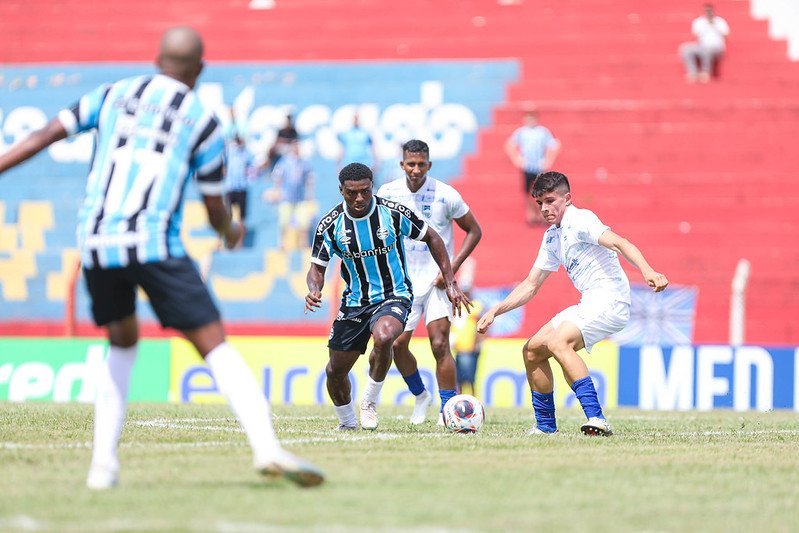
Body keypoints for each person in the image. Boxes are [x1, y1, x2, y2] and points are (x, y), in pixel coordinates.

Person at [0, 26, 323, 489]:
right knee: (213, 343)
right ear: (200, 69)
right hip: (154, 243)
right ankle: (266, 447)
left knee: (121, 342)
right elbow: (215, 211)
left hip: (97, 241)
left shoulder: (111, 95)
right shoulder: (203, 121)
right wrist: (232, 231)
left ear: (157, 61)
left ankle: (102, 468)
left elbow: (43, 136)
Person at [476, 171, 668, 436]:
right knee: (532, 351)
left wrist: (648, 271)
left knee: (558, 342)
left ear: (567, 198)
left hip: (611, 299)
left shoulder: (581, 220)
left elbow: (619, 243)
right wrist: (496, 310)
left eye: (550, 201)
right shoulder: (552, 237)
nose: (544, 208)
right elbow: (531, 285)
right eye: (540, 203)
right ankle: (545, 427)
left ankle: (597, 418)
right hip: (590, 301)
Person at [304, 162, 471, 431]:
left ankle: (369, 402)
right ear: (341, 191)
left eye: (365, 191)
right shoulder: (330, 224)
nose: (360, 198)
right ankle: (347, 423)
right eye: (352, 193)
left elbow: (433, 238)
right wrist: (314, 289)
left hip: (395, 295)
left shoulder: (392, 213)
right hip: (355, 302)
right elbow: (317, 268)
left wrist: (450, 282)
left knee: (384, 338)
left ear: (372, 187)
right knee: (334, 371)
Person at [374, 139, 482, 425]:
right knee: (397, 344)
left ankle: (449, 410)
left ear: (429, 165)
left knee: (440, 344)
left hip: (437, 282)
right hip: (402, 284)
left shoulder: (445, 194)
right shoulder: (387, 193)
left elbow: (474, 231)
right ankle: (421, 395)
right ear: (402, 165)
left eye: (421, 164)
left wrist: (450, 271)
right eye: (411, 164)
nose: (416, 169)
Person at [504, 109, 561, 225]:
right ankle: (531, 215)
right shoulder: (521, 132)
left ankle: (542, 215)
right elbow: (509, 145)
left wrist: (548, 160)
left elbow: (555, 145)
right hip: (527, 167)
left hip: (539, 167)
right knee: (528, 193)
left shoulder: (543, 132)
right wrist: (516, 159)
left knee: (541, 192)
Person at [264, 140, 316, 250]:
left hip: (300, 197)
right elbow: (277, 177)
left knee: (304, 222)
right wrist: (277, 191)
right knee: (284, 222)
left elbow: (309, 179)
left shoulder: (303, 163)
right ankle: (281, 243)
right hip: (286, 197)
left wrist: (309, 194)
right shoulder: (284, 162)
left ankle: (304, 243)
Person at [680, 3, 730, 83]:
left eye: (710, 11)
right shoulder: (699, 21)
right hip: (702, 46)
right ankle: (692, 73)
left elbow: (725, 33)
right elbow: (696, 33)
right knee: (686, 48)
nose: (708, 12)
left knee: (707, 50)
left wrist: (714, 25)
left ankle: (705, 72)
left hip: (717, 47)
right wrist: (707, 24)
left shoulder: (719, 21)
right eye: (707, 11)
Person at [224, 133, 256, 232]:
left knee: (242, 216)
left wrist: (249, 177)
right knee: (227, 214)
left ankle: (240, 238)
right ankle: (226, 236)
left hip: (242, 187)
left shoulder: (246, 153)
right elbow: (223, 165)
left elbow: (252, 168)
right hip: (230, 186)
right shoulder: (229, 152)